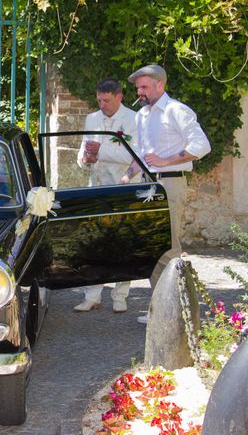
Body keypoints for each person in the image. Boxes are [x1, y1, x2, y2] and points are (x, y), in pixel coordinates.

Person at [121, 64, 211, 323]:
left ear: (160, 85)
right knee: (152, 248)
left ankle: (178, 313)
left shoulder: (177, 111)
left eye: (144, 86)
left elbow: (202, 145)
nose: (139, 91)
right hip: (149, 186)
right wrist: (128, 176)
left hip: (171, 184)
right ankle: (162, 309)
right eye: (138, 87)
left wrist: (165, 161)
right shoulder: (142, 115)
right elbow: (141, 153)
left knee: (168, 247)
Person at [74, 78, 138, 313]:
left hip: (124, 188)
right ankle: (92, 294)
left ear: (119, 97)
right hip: (97, 188)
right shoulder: (91, 118)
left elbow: (133, 157)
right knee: (95, 242)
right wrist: (84, 159)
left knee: (122, 244)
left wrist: (101, 152)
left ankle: (120, 295)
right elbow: (83, 151)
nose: (102, 105)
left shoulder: (133, 119)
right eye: (99, 100)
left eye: (107, 100)